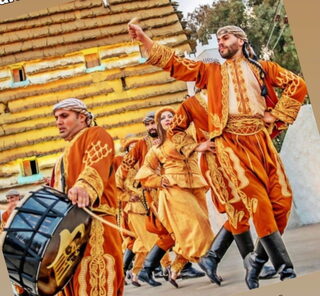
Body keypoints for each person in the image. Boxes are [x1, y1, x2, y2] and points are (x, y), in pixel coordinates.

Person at [128, 23, 307, 290]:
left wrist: (278, 115)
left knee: (281, 200)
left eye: (225, 37)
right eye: (218, 39)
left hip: (261, 140)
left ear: (242, 40)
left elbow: (297, 84)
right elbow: (177, 64)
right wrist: (147, 42)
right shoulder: (211, 73)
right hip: (229, 145)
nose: (220, 42)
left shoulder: (263, 68)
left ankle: (255, 260)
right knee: (253, 204)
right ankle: (285, 268)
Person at [116, 111, 205, 287]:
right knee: (172, 232)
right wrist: (125, 195)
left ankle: (166, 268)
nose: (151, 127)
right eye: (147, 125)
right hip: (153, 197)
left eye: (152, 123)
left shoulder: (176, 137)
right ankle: (162, 268)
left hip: (178, 189)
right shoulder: (142, 145)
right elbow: (123, 169)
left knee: (177, 232)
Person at [51, 98, 124, 296]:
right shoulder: (60, 159)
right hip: (68, 235)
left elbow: (95, 166)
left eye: (64, 116)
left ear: (82, 117)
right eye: (56, 118)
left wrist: (83, 187)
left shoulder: (96, 134)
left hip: (94, 225)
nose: (58, 121)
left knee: (95, 284)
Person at [1, 190, 29, 296]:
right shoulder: (5, 214)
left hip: (29, 250)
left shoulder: (26, 208)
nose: (10, 200)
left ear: (18, 197)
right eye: (8, 199)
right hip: (16, 254)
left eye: (12, 197)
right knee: (21, 286)